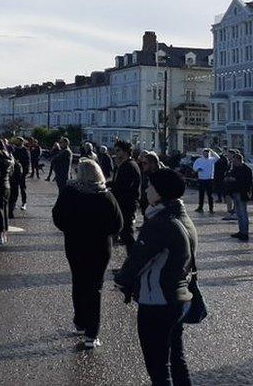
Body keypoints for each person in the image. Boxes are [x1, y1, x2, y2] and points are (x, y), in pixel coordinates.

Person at [115, 169, 197, 386]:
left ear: (161, 192)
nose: (146, 189)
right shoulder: (182, 216)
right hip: (179, 295)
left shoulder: (161, 223)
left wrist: (121, 281)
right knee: (176, 358)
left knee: (158, 365)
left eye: (151, 186)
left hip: (158, 298)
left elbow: (138, 259)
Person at [52, 159, 122, 350]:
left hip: (75, 244)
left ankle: (80, 321)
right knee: (95, 287)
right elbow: (118, 225)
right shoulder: (106, 195)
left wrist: (71, 228)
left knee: (78, 281)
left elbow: (57, 217)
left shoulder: (69, 192)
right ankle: (92, 333)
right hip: (99, 247)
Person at [109, 140, 142, 247]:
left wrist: (108, 190)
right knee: (125, 232)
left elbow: (122, 186)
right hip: (125, 202)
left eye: (118, 150)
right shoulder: (126, 165)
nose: (116, 153)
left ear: (125, 151)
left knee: (127, 232)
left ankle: (134, 258)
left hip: (127, 203)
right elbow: (117, 183)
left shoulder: (128, 166)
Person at [224, 150, 252, 242]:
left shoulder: (246, 169)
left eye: (234, 160)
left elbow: (246, 182)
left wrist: (234, 179)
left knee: (243, 213)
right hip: (235, 192)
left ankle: (245, 233)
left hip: (242, 193)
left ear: (239, 160)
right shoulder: (234, 168)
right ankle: (241, 231)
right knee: (239, 214)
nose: (233, 162)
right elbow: (230, 175)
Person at [191, 148, 217, 213]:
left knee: (210, 195)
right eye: (205, 153)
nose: (206, 154)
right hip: (201, 179)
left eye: (207, 153)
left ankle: (211, 208)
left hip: (209, 179)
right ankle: (200, 207)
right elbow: (194, 167)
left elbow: (218, 157)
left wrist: (212, 150)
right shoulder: (199, 160)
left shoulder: (212, 160)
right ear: (203, 153)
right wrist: (197, 169)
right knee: (201, 194)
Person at [9, 138, 29, 215]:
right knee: (14, 189)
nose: (16, 142)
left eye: (18, 141)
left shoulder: (25, 150)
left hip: (22, 172)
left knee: (23, 188)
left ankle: (24, 203)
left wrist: (25, 172)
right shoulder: (14, 150)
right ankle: (14, 203)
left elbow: (27, 162)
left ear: (21, 142)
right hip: (15, 172)